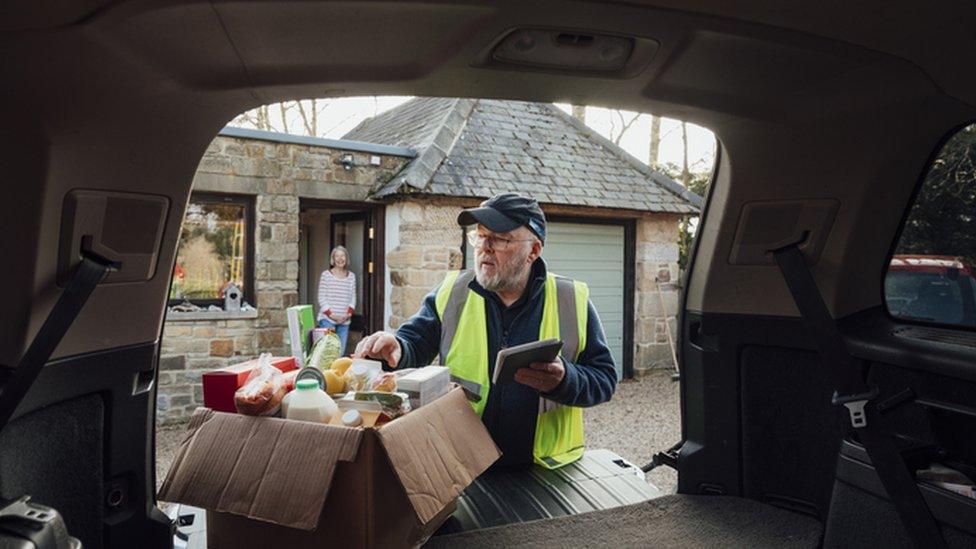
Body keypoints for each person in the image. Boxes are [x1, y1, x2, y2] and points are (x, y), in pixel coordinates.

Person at [355, 193, 617, 469]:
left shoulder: (570, 299)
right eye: (480, 236)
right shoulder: (453, 291)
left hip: (543, 471)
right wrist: (397, 347)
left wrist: (566, 380)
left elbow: (604, 379)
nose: (484, 247)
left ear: (534, 250)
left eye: (500, 238)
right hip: (463, 463)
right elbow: (414, 342)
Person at [317, 245, 356, 354]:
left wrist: (347, 315)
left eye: (342, 256)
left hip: (345, 321)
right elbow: (321, 297)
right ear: (333, 259)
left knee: (340, 352)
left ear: (346, 258)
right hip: (327, 320)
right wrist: (332, 316)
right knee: (328, 352)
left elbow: (353, 298)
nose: (340, 259)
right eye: (337, 256)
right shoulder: (326, 275)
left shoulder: (351, 276)